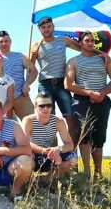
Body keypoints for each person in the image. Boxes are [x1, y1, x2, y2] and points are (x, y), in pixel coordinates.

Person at [65, 31, 111, 176]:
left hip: (102, 101)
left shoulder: (104, 59)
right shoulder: (73, 61)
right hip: (82, 100)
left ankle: (98, 173)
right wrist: (90, 93)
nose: (90, 43)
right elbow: (68, 84)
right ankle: (87, 174)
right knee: (84, 134)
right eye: (87, 40)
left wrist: (103, 93)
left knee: (99, 137)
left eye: (92, 41)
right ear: (80, 43)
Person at [30, 16, 83, 146]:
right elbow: (30, 67)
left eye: (49, 26)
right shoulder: (35, 45)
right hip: (45, 85)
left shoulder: (63, 40)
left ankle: (71, 155)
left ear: (53, 27)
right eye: (43, 27)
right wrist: (32, 55)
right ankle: (51, 160)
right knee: (46, 120)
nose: (46, 29)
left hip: (62, 84)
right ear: (39, 29)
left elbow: (83, 48)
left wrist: (100, 53)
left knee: (71, 119)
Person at [22, 92, 77, 184]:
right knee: (24, 157)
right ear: (35, 107)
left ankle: (47, 179)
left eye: (48, 105)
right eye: (42, 106)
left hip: (49, 155)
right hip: (33, 155)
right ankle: (28, 182)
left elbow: (70, 145)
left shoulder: (58, 121)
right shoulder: (28, 120)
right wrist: (44, 151)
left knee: (73, 158)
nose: (46, 108)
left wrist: (57, 149)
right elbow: (25, 144)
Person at [0, 31, 38, 119]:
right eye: (1, 41)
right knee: (5, 128)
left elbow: (34, 71)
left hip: (20, 95)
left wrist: (27, 84)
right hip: (3, 99)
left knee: (33, 123)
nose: (4, 43)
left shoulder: (19, 56)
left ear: (10, 41)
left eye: (6, 41)